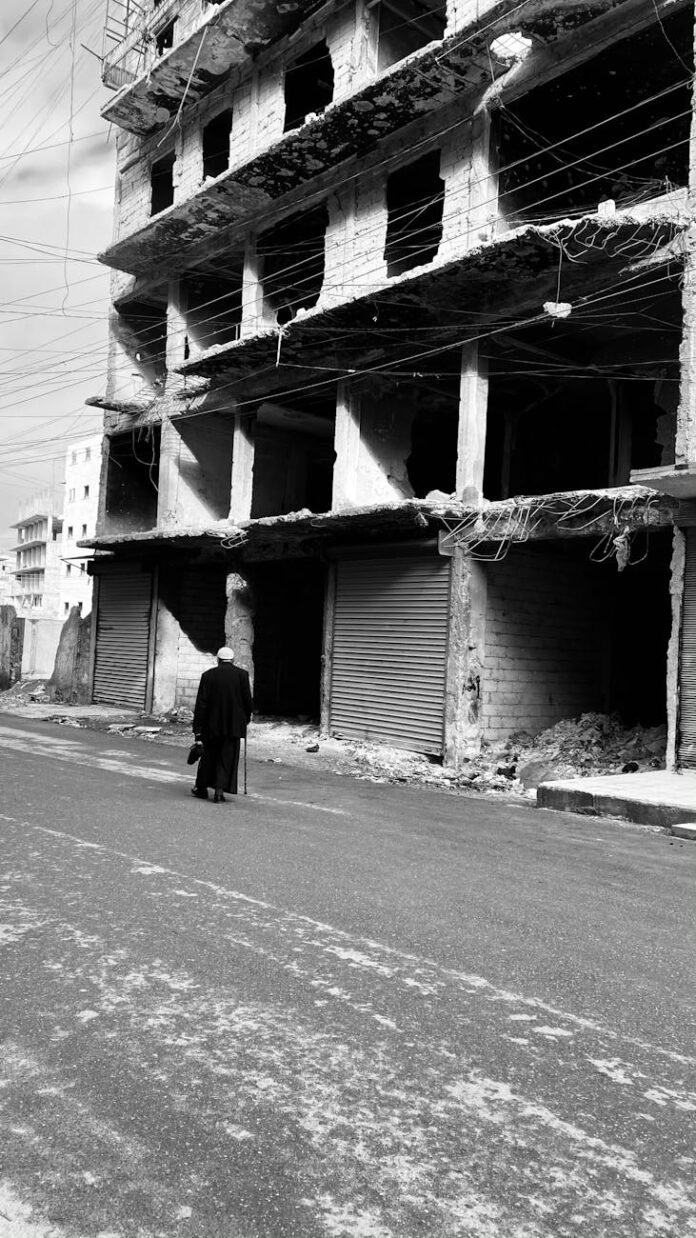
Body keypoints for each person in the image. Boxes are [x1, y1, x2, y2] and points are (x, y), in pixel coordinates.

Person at [191, 647, 253, 803]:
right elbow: (248, 702)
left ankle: (202, 788)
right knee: (226, 758)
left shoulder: (208, 676)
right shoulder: (242, 675)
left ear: (217, 659)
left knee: (208, 757)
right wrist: (244, 721)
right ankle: (219, 791)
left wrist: (197, 730)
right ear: (233, 660)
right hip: (233, 727)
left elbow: (201, 705)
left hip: (211, 727)